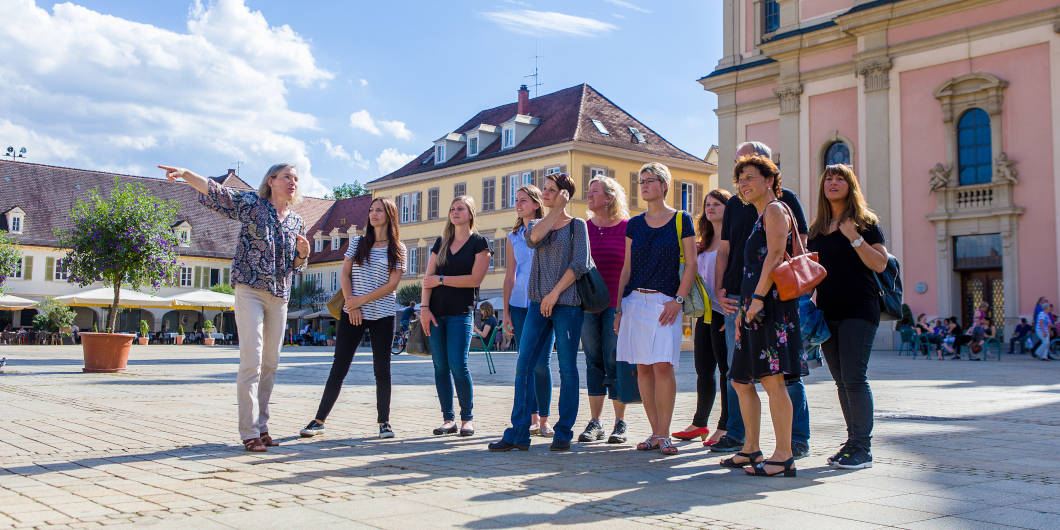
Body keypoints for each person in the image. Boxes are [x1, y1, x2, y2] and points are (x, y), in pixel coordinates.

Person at [159, 163, 310, 453]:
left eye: (296, 179)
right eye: (287, 177)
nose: (293, 182)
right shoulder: (253, 203)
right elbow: (219, 192)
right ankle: (249, 431)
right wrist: (187, 175)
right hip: (250, 290)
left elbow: (295, 265)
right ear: (271, 180)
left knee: (271, 364)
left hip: (279, 294)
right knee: (251, 360)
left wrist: (303, 255)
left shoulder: (296, 222)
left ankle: (263, 426)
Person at [711, 142, 811, 459]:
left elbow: (777, 255)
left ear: (769, 179)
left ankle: (783, 454)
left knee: (773, 380)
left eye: (750, 177)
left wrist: (755, 300)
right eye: (740, 179)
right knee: (740, 379)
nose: (744, 184)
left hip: (771, 305)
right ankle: (750, 449)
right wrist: (743, 307)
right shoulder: (756, 215)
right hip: (750, 305)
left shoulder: (777, 209)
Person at [489, 172, 590, 452]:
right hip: (536, 303)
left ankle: (563, 431)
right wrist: (555, 210)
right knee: (524, 364)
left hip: (567, 303)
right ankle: (519, 431)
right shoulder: (536, 224)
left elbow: (580, 264)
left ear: (564, 194)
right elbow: (533, 239)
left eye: (550, 190)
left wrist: (555, 293)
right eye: (544, 190)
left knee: (567, 368)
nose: (544, 193)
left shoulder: (577, 226)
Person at [301, 197, 406, 440]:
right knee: (339, 367)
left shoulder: (398, 248)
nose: (373, 214)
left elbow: (392, 285)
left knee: (382, 370)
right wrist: (351, 303)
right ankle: (319, 420)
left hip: (382, 315)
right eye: (371, 210)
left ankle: (384, 422)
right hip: (353, 313)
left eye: (379, 210)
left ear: (390, 216)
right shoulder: (358, 242)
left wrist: (361, 301)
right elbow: (345, 273)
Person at [807, 163, 889, 470]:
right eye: (828, 177)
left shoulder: (866, 223)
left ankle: (862, 448)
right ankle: (852, 441)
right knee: (841, 382)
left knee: (855, 378)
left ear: (850, 185)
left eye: (840, 177)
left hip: (859, 309)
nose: (833, 181)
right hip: (828, 312)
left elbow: (879, 264)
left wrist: (854, 237)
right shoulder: (816, 231)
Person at [613, 162, 696, 457]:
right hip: (635, 301)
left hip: (666, 302)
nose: (645, 185)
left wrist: (679, 301)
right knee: (643, 368)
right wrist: (619, 308)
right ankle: (655, 433)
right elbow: (626, 268)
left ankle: (665, 432)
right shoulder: (634, 224)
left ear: (664, 185)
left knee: (663, 365)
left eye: (650, 180)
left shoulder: (681, 219)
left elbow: (691, 265)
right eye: (641, 181)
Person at [421, 196, 492, 436]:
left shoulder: (479, 243)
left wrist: (442, 280)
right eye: (452, 209)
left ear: (470, 213)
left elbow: (474, 279)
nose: (455, 212)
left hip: (461, 314)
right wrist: (424, 309)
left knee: (458, 365)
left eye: (460, 208)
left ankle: (467, 419)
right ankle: (448, 419)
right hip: (435, 314)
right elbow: (426, 279)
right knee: (440, 366)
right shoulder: (441, 242)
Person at [673, 188, 731, 445]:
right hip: (704, 314)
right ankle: (699, 423)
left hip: (725, 313)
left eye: (717, 204)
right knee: (703, 371)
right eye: (707, 204)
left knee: (726, 371)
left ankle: (726, 426)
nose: (710, 208)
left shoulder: (734, 241)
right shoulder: (702, 242)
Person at [578, 175, 631, 444]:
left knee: (614, 360)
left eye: (594, 192)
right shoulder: (583, 229)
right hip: (588, 306)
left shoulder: (626, 228)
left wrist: (623, 306)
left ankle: (620, 422)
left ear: (609, 198)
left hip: (616, 304)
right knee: (593, 361)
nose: (589, 196)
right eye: (588, 192)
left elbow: (631, 268)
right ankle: (595, 422)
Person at [501, 184, 555, 437]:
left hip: (543, 303)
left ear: (536, 204)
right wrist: (506, 313)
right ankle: (532, 417)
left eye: (524, 200)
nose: (518, 204)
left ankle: (544, 419)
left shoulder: (549, 230)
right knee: (526, 362)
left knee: (542, 363)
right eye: (516, 200)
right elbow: (510, 275)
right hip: (519, 304)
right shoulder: (513, 237)